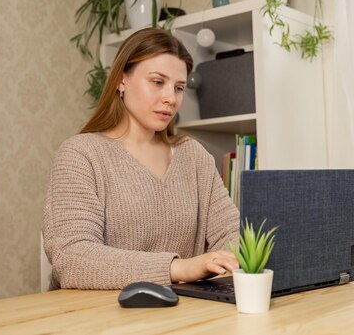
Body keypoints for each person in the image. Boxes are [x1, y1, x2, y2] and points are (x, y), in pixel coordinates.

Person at [42, 27, 240, 290]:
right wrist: (179, 268)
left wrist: (234, 257)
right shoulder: (81, 154)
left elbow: (232, 233)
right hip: (95, 318)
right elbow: (72, 257)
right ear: (121, 81)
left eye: (179, 87)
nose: (171, 98)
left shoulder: (193, 155)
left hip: (182, 312)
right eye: (157, 82)